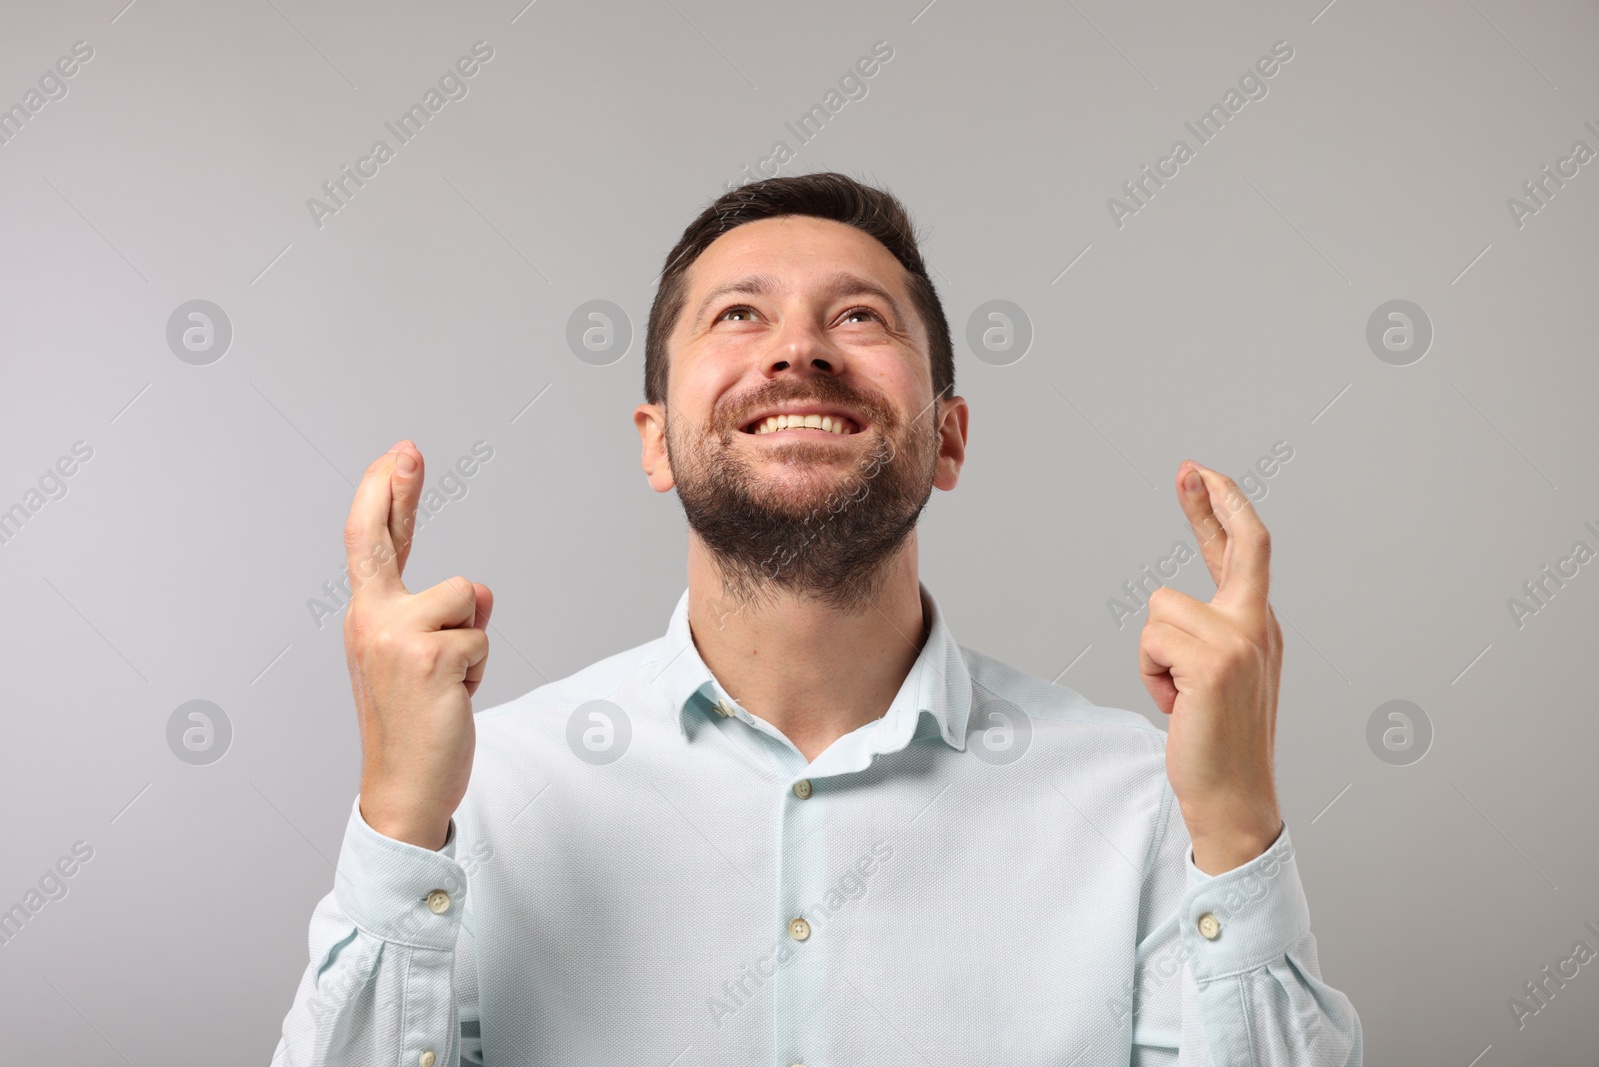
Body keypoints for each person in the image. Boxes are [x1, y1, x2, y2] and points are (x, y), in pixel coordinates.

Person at [270, 172, 1361, 1065]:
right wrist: (398, 822)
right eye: (739, 313)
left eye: (858, 315)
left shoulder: (1147, 803)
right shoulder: (485, 794)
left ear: (948, 437)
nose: (799, 350)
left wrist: (1235, 830)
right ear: (655, 438)